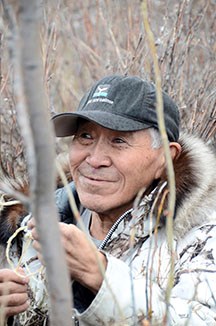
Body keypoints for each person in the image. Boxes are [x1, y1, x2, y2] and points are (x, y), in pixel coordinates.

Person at [1, 75, 216, 325]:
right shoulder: (22, 227)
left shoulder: (201, 239)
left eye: (119, 140)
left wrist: (100, 277)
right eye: (85, 137)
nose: (95, 159)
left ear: (165, 159)